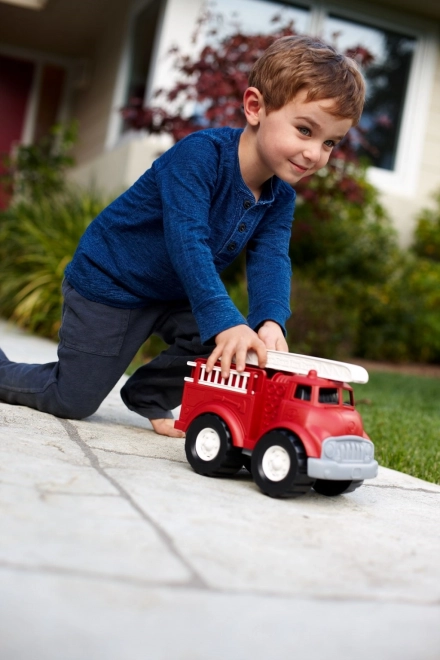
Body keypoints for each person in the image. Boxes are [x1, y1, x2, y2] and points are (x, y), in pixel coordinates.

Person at [0, 35, 365, 437]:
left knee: (235, 345)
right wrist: (225, 320)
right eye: (304, 130)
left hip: (173, 294)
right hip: (112, 282)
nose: (315, 153)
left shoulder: (280, 197)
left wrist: (270, 321)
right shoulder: (199, 156)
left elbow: (272, 258)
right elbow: (186, 240)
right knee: (71, 399)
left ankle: (148, 394)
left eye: (330, 142)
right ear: (256, 107)